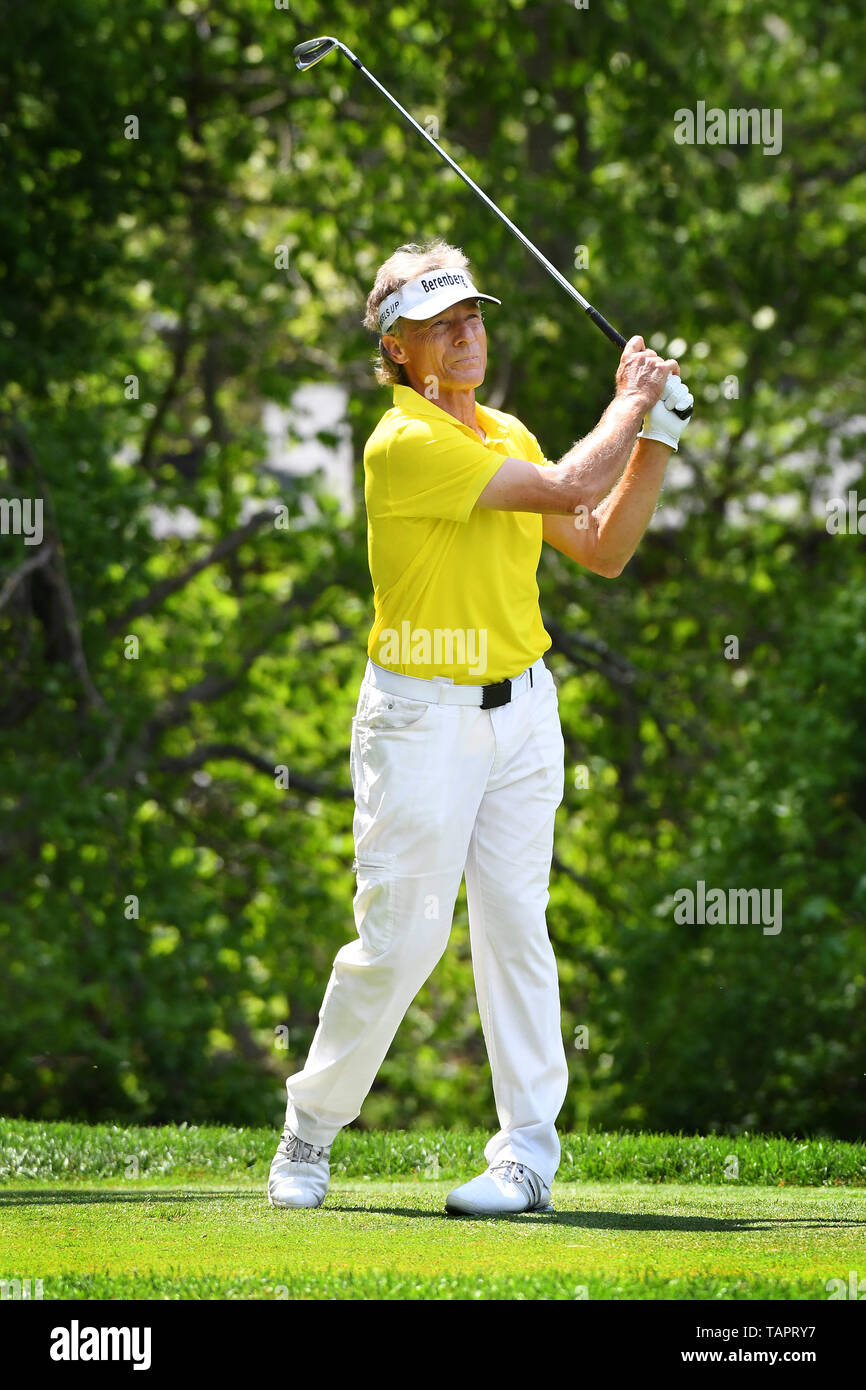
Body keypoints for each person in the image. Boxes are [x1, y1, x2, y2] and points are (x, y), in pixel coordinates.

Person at [268, 238, 693, 1216]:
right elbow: (572, 490)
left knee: (515, 928)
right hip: (418, 723)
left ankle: (526, 1161)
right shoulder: (401, 446)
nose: (465, 335)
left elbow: (598, 545)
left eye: (471, 317)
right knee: (400, 944)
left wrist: (656, 441)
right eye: (439, 326)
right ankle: (310, 1130)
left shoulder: (505, 429)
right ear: (400, 353)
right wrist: (630, 402)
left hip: (521, 714)